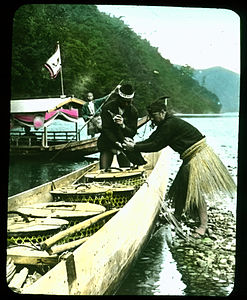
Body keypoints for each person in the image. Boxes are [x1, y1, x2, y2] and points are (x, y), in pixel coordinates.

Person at [123, 99, 236, 238]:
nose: (153, 119)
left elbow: (157, 145)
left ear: (163, 112)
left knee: (193, 189)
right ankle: (177, 216)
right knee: (182, 186)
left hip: (197, 156)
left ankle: (203, 225)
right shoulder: (166, 123)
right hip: (191, 156)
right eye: (151, 117)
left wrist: (134, 147)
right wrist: (135, 144)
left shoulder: (170, 124)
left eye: (154, 116)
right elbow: (152, 139)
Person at [97, 83, 146, 170]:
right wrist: (116, 142)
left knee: (126, 170)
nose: (127, 104)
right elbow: (106, 129)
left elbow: (132, 132)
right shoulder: (107, 107)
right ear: (119, 98)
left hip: (124, 142)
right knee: (103, 171)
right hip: (107, 141)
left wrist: (123, 125)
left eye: (129, 102)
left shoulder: (133, 111)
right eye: (124, 101)